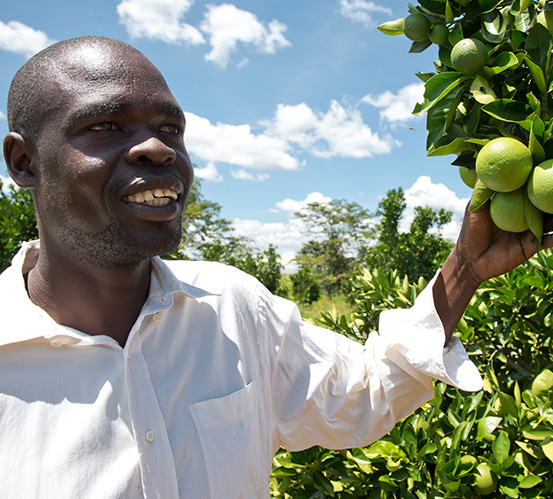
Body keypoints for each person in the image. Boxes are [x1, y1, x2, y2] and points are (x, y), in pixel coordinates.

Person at [1, 36, 549, 498]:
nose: (157, 149)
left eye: (171, 130)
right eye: (104, 125)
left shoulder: (233, 308)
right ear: (24, 163)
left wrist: (465, 269)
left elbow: (362, 395)